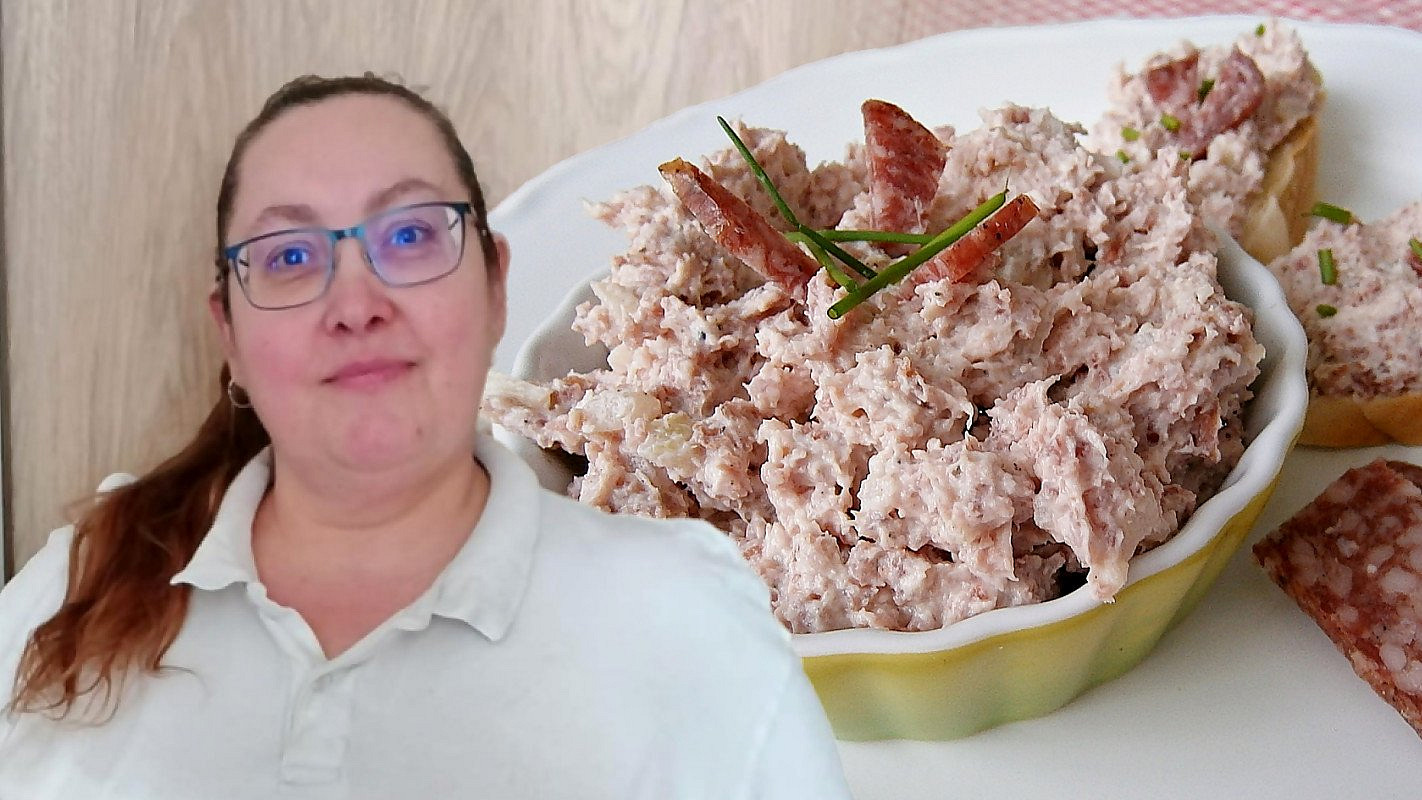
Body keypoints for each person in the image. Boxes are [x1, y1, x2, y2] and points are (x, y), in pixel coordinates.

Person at [0, 74, 852, 798]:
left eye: (409, 237)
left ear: (494, 289)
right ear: (229, 333)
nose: (355, 304)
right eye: (289, 258)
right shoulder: (87, 571)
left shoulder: (684, 612)